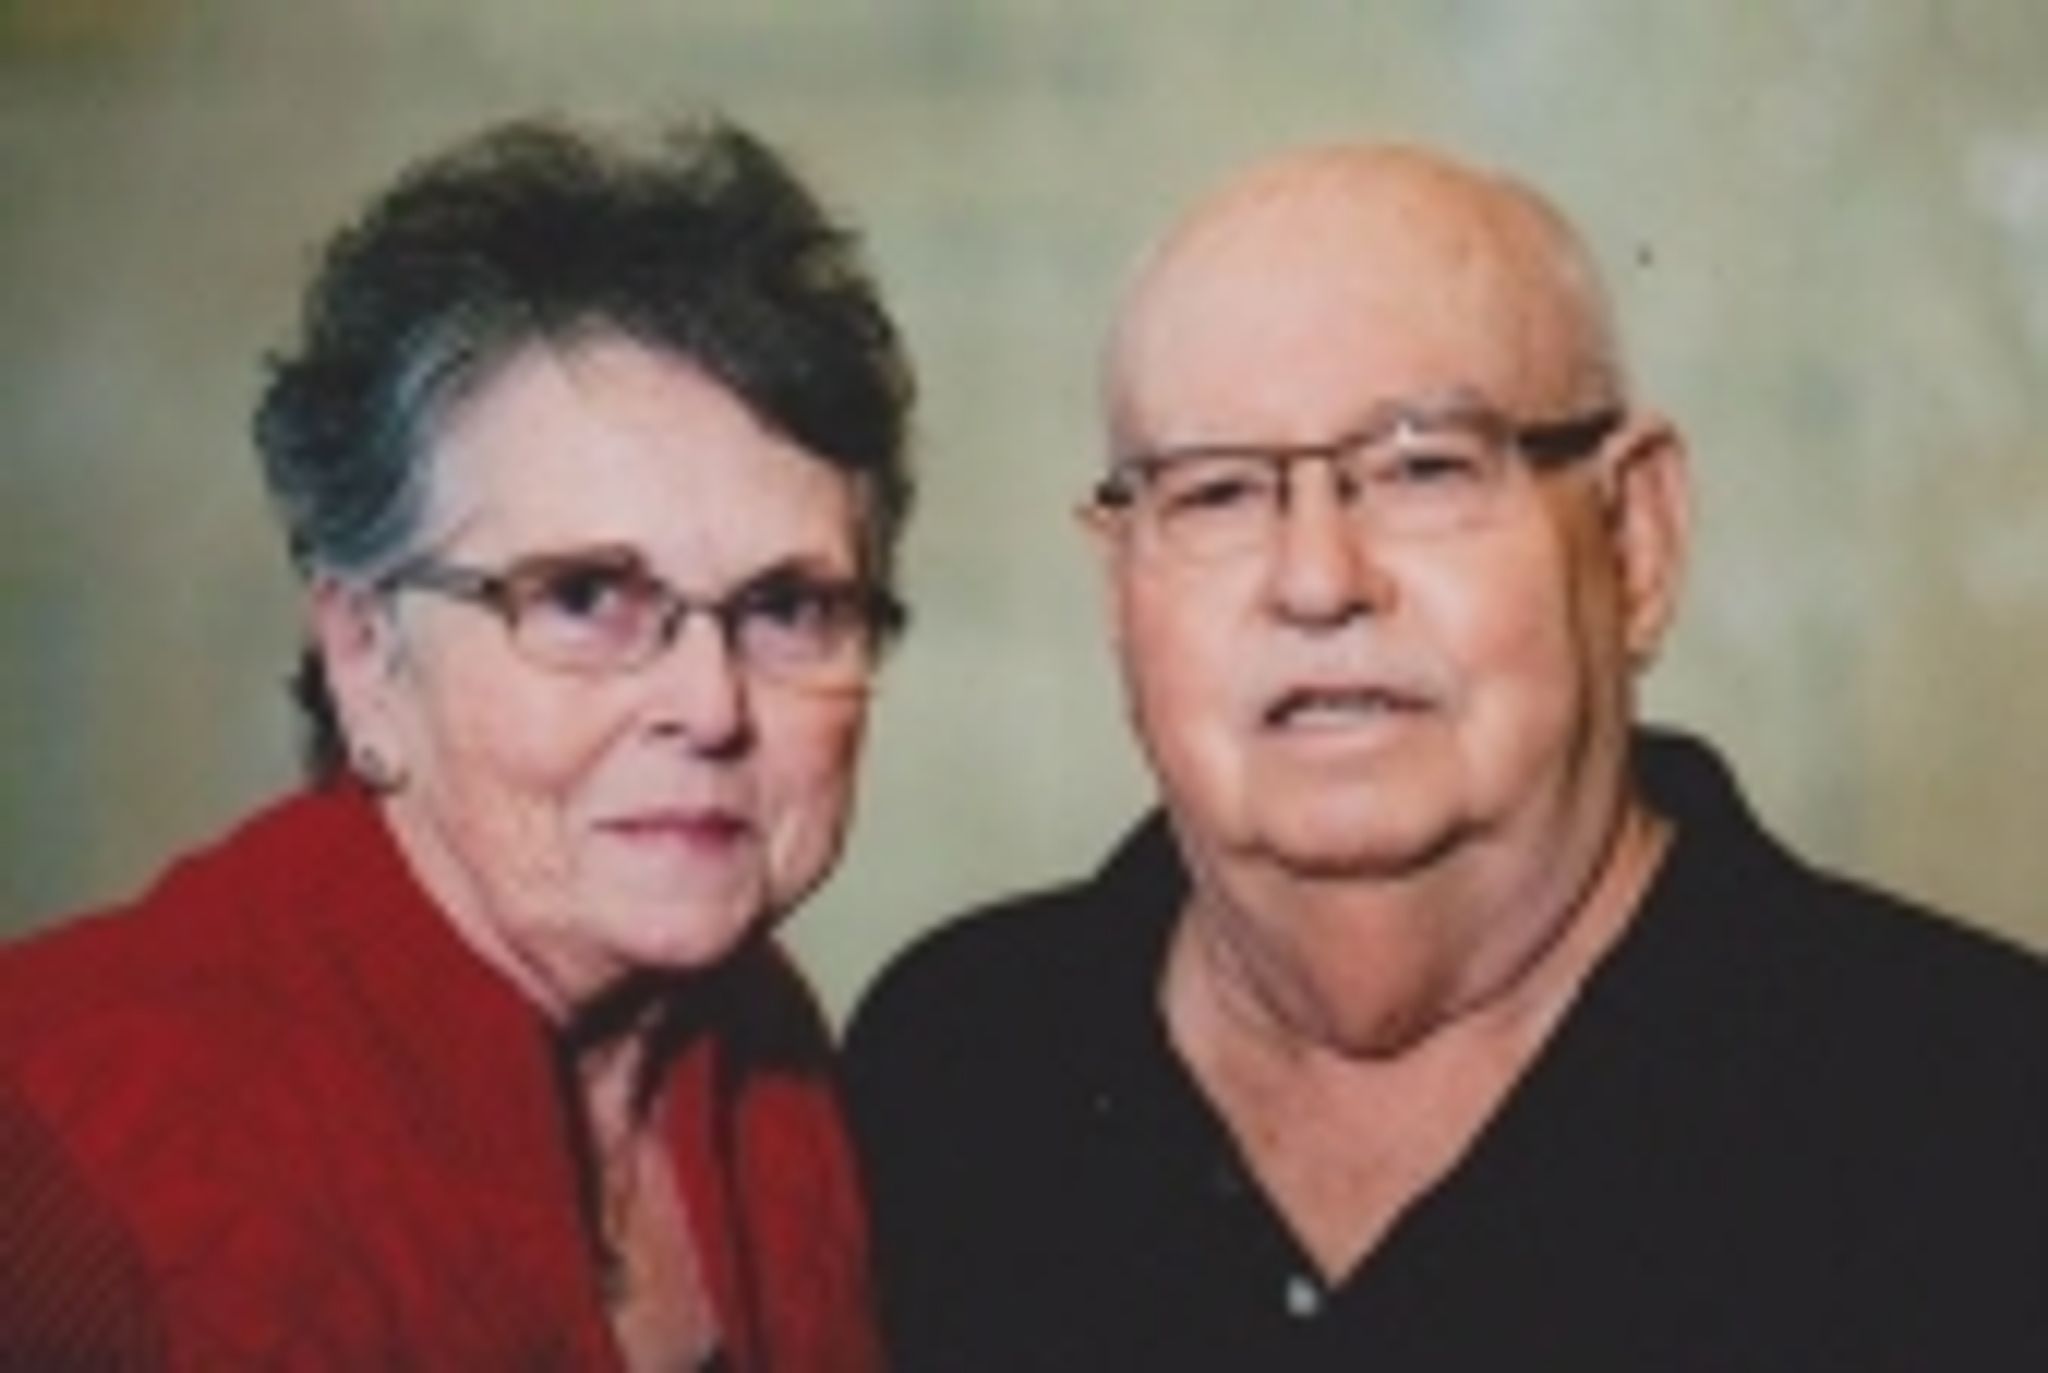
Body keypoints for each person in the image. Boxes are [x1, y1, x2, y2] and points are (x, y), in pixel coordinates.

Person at [843, 142, 2048, 1370]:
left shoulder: (1981, 1110)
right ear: (1118, 585)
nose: (1316, 580)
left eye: (1422, 468)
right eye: (1214, 494)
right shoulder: (957, 1068)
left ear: (1634, 538)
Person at [1, 114, 912, 1370]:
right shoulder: (52, 1144)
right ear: (364, 653)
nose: (710, 704)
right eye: (585, 596)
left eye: (787, 607)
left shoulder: (767, 1059)